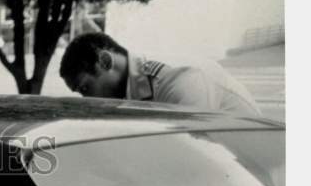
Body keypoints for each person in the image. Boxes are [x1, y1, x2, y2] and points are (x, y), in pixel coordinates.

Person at [59, 32, 260, 116]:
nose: (89, 100)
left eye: (86, 88)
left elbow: (191, 159)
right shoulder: (136, 89)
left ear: (105, 61)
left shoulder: (177, 79)